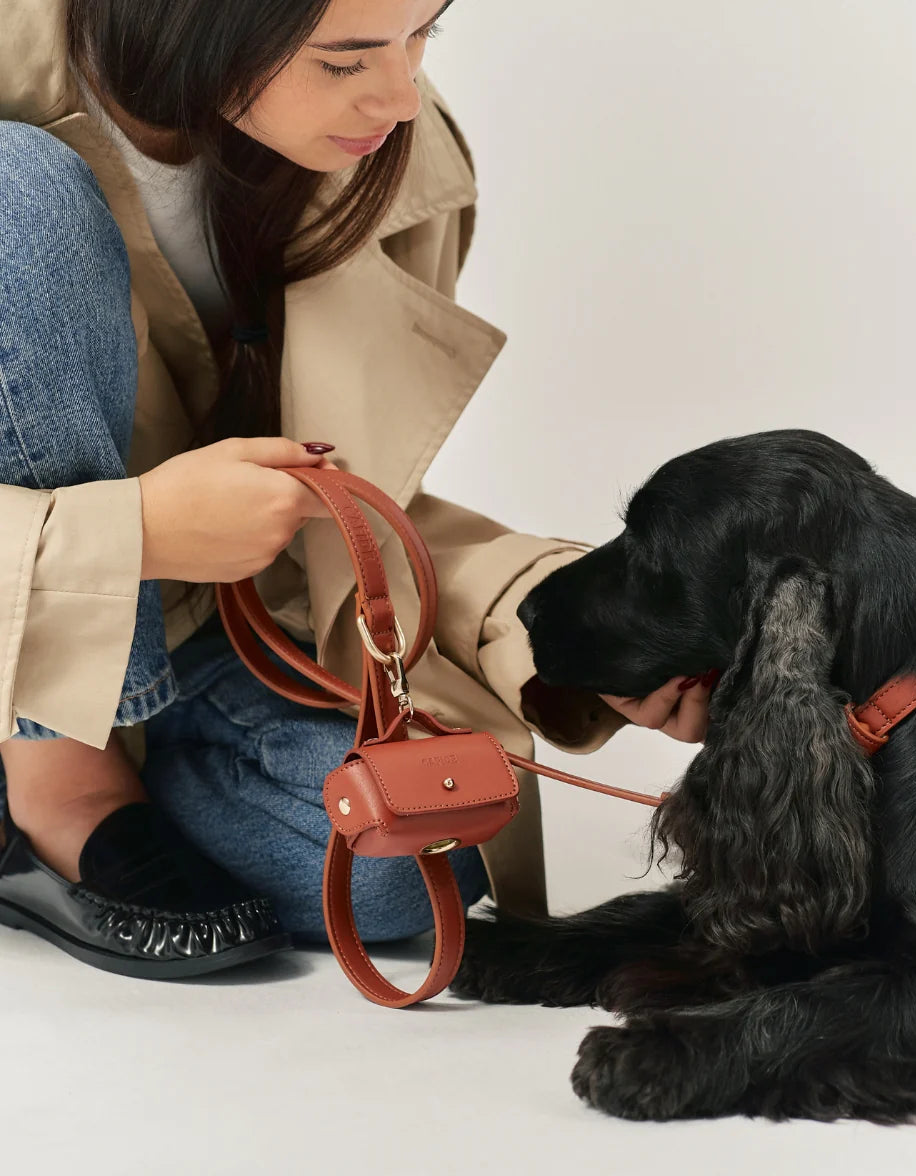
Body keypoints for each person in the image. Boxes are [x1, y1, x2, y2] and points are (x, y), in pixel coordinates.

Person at [0, 0, 714, 979]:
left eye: (425, 32)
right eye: (345, 58)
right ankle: (60, 787)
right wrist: (135, 535)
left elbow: (334, 506)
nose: (401, 92)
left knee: (395, 865)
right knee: (18, 197)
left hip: (200, 636)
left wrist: (572, 621)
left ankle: (116, 754)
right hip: (58, 619)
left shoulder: (381, 153)